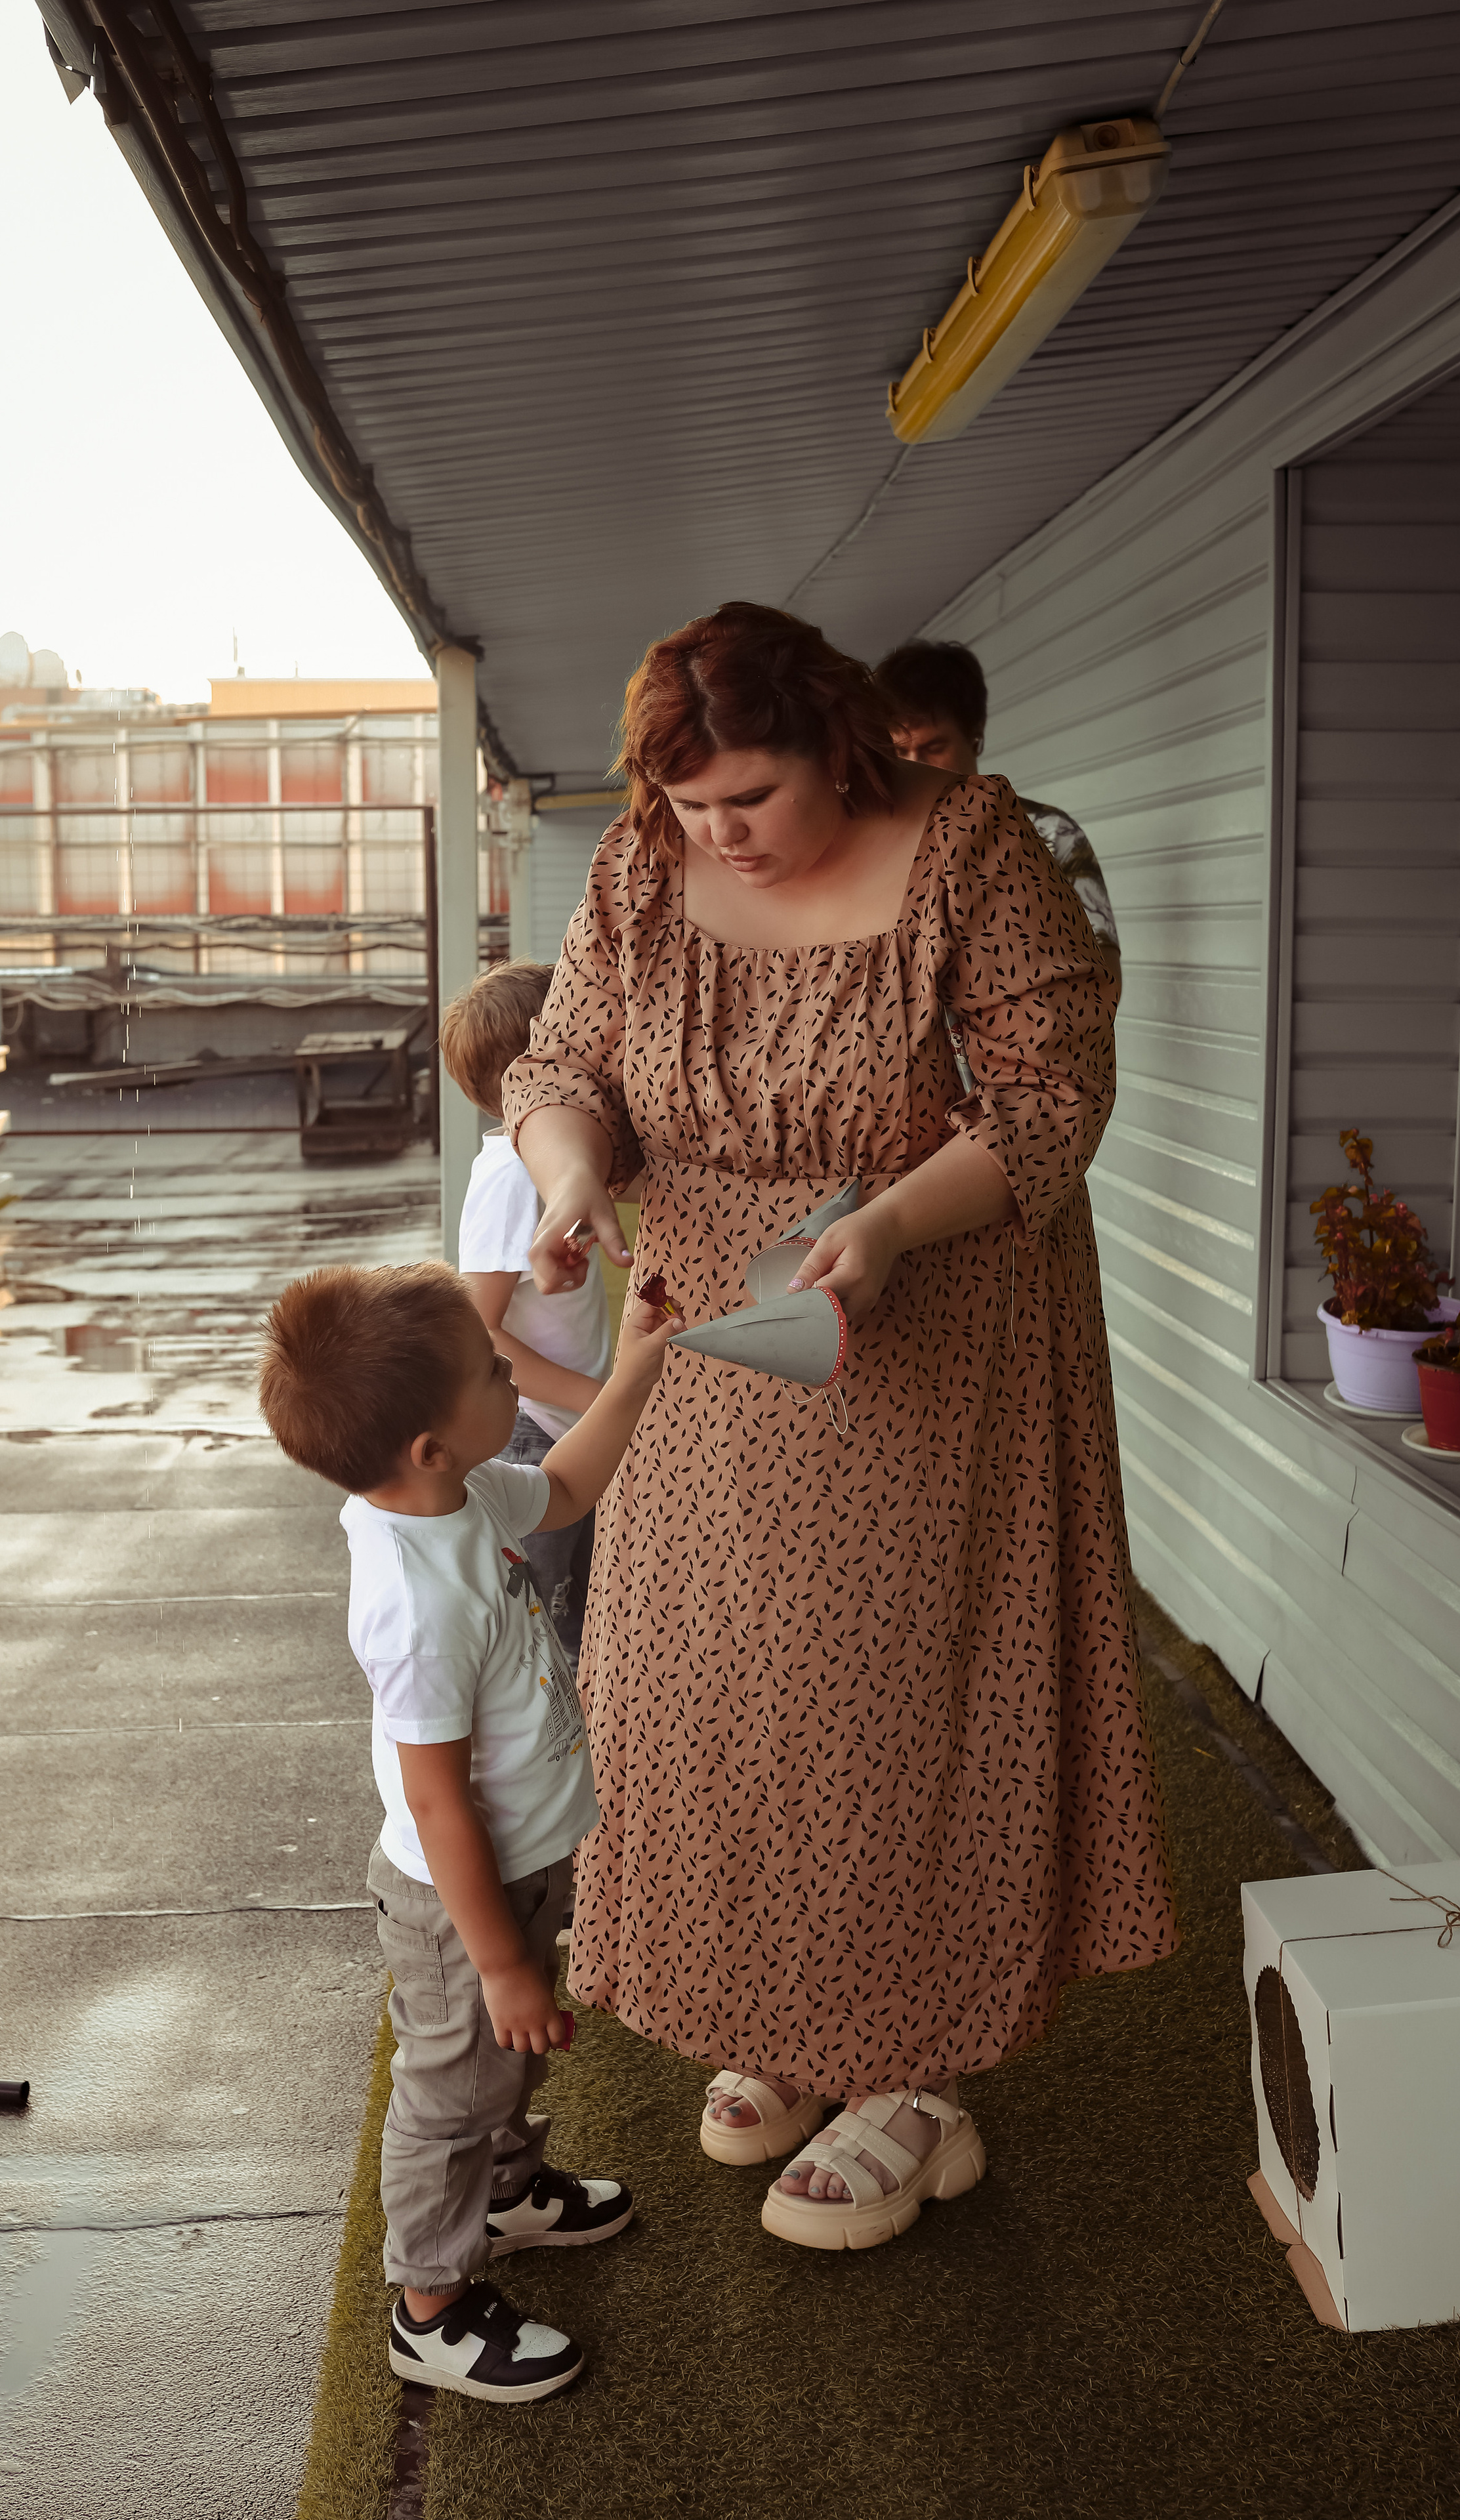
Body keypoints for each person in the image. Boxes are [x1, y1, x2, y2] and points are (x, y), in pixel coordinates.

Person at [502, 600, 1176, 2256]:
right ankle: (787, 2020)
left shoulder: (967, 844)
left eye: (747, 798)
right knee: (710, 1698)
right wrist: (575, 1177)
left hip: (921, 1323)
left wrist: (881, 1226)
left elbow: (1046, 1094)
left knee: (892, 1700)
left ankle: (915, 2073)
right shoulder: (641, 869)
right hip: (703, 1350)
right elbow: (562, 1058)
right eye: (689, 805)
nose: (714, 833)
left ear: (837, 746)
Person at [258, 1259, 684, 2399]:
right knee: (450, 2095)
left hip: (520, 1870)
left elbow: (575, 1485)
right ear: (427, 1449)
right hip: (461, 1905)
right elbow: (437, 1798)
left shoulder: (468, 1494)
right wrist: (496, 1961)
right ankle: (432, 2303)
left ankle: (503, 2193)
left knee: (498, 2074)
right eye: (495, 1373)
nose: (512, 1371)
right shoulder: (416, 1599)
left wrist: (636, 1361)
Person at [442, 959, 612, 1666]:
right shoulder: (513, 1174)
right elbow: (476, 1329)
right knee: (540, 1633)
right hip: (536, 1433)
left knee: (580, 1620)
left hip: (570, 1424)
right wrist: (598, 1401)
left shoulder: (549, 1165)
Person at [874, 637, 1121, 984]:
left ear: (975, 737)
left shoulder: (1049, 831)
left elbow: (1103, 972)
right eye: (901, 752)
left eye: (934, 747)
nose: (917, 766)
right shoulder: (876, 839)